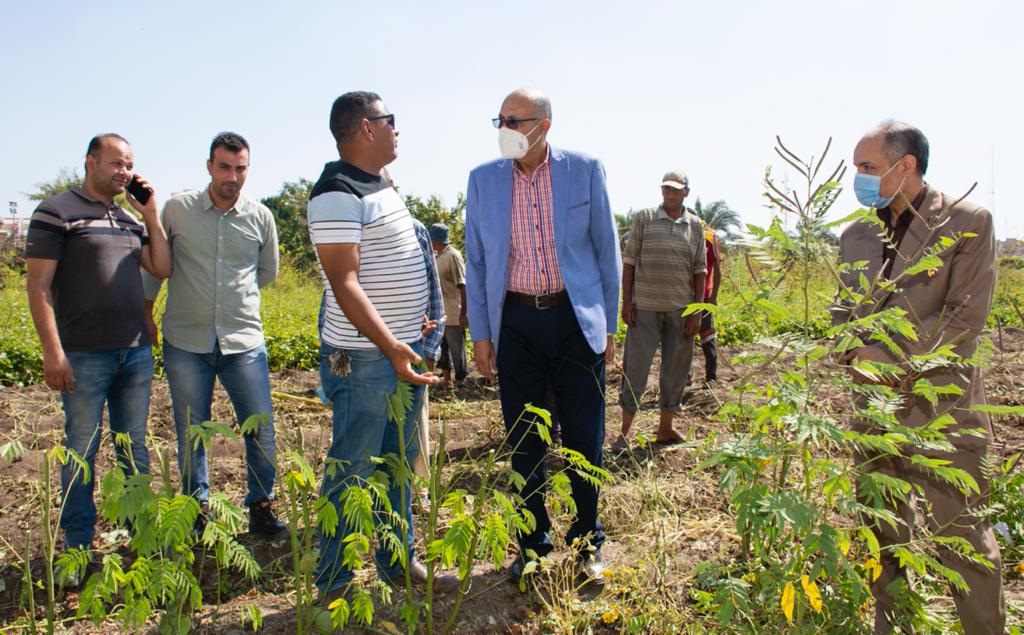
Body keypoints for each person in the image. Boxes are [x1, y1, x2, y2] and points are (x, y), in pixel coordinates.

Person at [833, 120, 1004, 634]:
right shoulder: (856, 234)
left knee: (964, 538)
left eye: (867, 167)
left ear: (904, 166)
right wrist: (852, 349)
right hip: (873, 410)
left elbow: (962, 321)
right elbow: (844, 314)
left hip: (942, 409)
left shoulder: (967, 222)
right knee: (884, 536)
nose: (858, 177)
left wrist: (879, 354)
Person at [465, 87, 621, 584]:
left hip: (575, 319)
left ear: (544, 125)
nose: (505, 129)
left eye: (515, 120)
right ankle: (532, 547)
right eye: (501, 120)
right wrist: (482, 334)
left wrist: (609, 325)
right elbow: (478, 260)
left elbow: (606, 252)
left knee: (583, 437)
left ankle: (587, 542)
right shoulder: (483, 180)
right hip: (517, 323)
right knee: (525, 440)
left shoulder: (584, 169)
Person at [307, 91, 455, 602]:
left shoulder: (377, 185)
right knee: (352, 468)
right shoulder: (335, 192)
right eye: (391, 120)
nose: (398, 129)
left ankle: (397, 561)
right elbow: (345, 281)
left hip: (399, 350)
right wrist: (393, 344)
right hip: (368, 359)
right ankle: (334, 582)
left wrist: (415, 318)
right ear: (366, 128)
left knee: (397, 463)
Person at [25, 133, 171, 574]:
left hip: (134, 353)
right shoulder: (56, 211)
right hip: (84, 354)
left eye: (129, 164)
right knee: (81, 450)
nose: (124, 171)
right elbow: (38, 286)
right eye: (116, 163)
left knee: (134, 450)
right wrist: (53, 352)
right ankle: (76, 546)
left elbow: (161, 267)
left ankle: (140, 534)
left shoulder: (128, 218)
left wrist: (150, 212)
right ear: (90, 162)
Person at [142, 132, 286, 538]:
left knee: (260, 428)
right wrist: (146, 312)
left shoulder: (261, 217)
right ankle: (195, 508)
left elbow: (266, 273)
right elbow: (156, 262)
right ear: (209, 166)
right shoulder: (177, 210)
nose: (232, 176)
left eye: (240, 168)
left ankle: (260, 506)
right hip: (186, 341)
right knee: (192, 429)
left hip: (243, 341)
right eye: (224, 167)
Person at [617, 170, 706, 447]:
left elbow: (700, 270)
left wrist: (697, 311)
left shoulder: (695, 226)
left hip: (680, 310)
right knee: (636, 368)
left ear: (686, 193)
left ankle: (665, 429)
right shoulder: (644, 218)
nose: (669, 194)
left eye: (675, 190)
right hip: (644, 308)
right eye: (666, 189)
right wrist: (627, 301)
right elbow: (629, 262)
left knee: (675, 370)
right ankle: (623, 433)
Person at [429, 222, 469, 389]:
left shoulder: (453, 255)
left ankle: (461, 379)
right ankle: (447, 380)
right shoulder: (438, 256)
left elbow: (463, 285)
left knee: (456, 347)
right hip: (441, 311)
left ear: (436, 239)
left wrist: (464, 313)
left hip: (454, 310)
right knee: (443, 346)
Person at [698, 221, 722, 385]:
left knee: (707, 337)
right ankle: (686, 377)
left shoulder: (710, 239)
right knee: (683, 339)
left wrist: (713, 296)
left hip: (705, 296)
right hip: (685, 296)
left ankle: (711, 377)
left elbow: (718, 269)